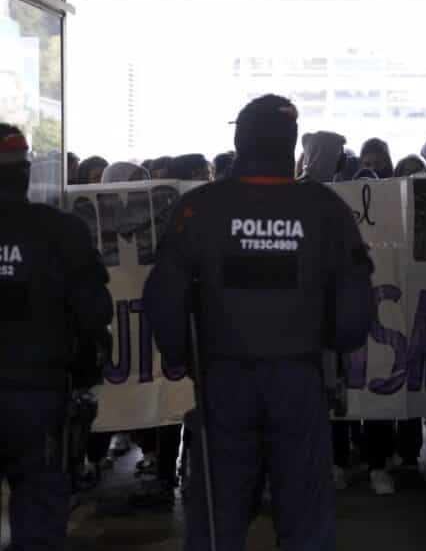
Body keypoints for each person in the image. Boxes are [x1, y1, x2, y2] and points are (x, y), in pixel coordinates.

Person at [143, 95, 374, 551]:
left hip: (222, 378)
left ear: (239, 139)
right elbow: (354, 307)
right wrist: (335, 345)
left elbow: (163, 295)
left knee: (218, 511)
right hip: (299, 377)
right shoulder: (325, 209)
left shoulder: (199, 208)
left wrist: (180, 357)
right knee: (305, 511)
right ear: (291, 143)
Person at [0, 124, 113, 550]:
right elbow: (95, 312)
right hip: (39, 396)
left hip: (41, 390)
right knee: (39, 514)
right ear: (26, 173)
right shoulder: (61, 231)